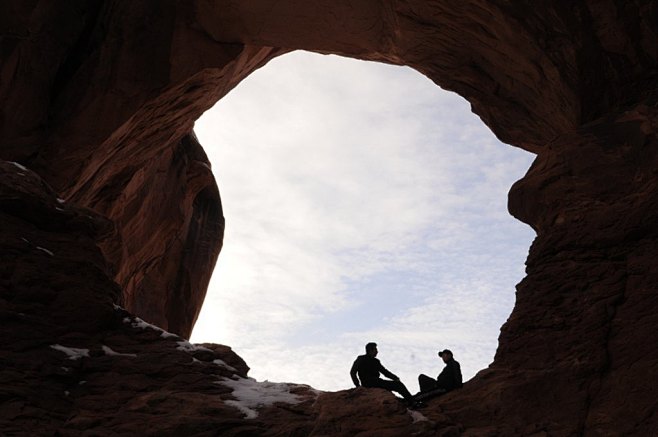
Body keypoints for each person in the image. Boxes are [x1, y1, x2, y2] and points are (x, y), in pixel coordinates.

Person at [350, 342, 417, 405]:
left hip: (371, 383)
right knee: (398, 385)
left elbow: (385, 372)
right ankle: (412, 402)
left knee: (393, 386)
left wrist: (394, 377)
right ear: (370, 350)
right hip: (374, 383)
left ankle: (407, 400)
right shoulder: (365, 360)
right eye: (375, 349)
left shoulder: (372, 361)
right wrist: (358, 385)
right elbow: (385, 372)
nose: (377, 352)